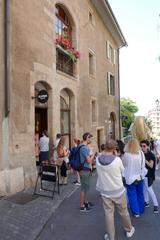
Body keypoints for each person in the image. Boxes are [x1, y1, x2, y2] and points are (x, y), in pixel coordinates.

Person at [96, 140, 135, 240]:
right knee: (123, 211)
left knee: (108, 214)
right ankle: (129, 229)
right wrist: (116, 155)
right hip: (118, 191)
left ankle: (110, 236)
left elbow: (102, 157)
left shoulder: (98, 159)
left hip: (105, 191)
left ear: (105, 147)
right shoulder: (117, 160)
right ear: (114, 149)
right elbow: (123, 172)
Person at [123, 138, 147, 217]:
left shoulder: (126, 154)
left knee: (132, 195)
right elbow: (143, 165)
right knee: (140, 193)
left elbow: (124, 165)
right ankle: (141, 209)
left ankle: (136, 212)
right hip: (140, 176)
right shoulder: (141, 153)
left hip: (130, 177)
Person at [140, 140, 159, 213]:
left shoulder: (150, 154)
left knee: (149, 190)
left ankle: (156, 205)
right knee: (145, 189)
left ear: (147, 146)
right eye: (141, 146)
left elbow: (151, 165)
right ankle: (146, 202)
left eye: (144, 146)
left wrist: (144, 160)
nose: (142, 148)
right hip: (143, 175)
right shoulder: (141, 153)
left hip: (149, 175)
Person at [79, 132, 96, 212]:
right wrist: (93, 154)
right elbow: (89, 160)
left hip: (84, 169)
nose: (91, 140)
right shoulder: (84, 148)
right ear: (87, 138)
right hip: (84, 169)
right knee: (83, 188)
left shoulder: (82, 146)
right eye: (90, 138)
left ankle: (85, 202)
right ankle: (82, 206)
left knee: (86, 187)